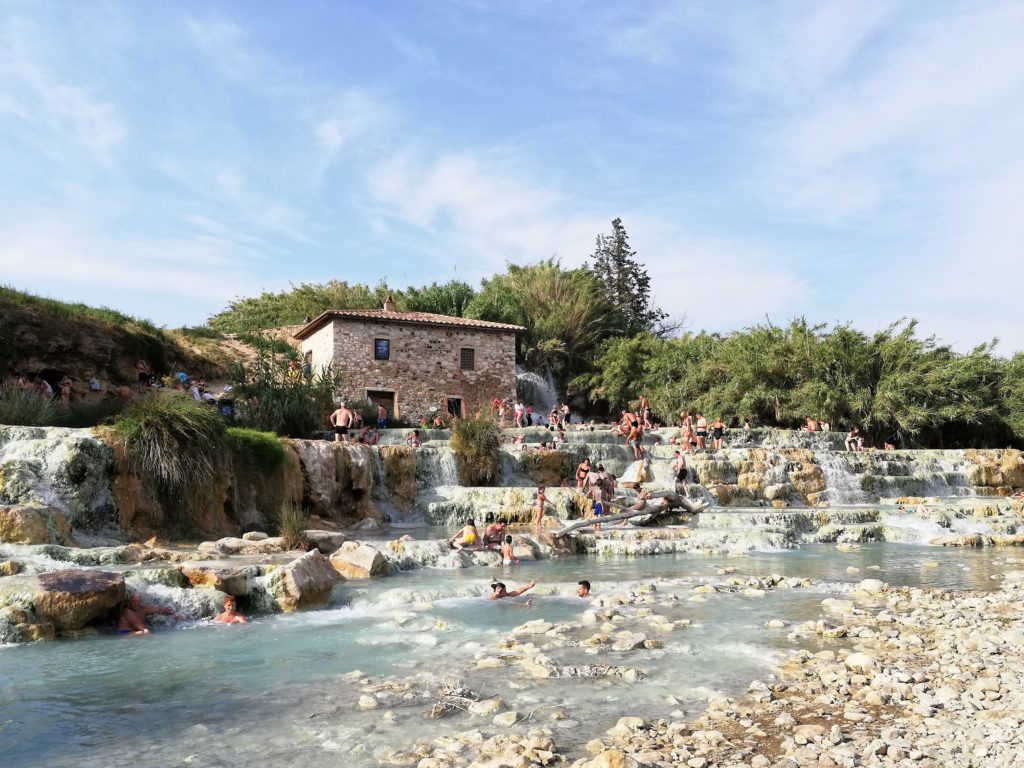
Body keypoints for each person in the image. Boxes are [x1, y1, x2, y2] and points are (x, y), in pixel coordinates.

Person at [117, 594, 182, 636]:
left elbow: (161, 609)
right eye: (134, 601)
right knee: (146, 632)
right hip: (124, 634)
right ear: (130, 601)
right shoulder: (129, 613)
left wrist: (174, 614)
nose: (136, 603)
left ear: (141, 602)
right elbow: (143, 629)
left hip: (134, 631)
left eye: (138, 601)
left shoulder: (143, 609)